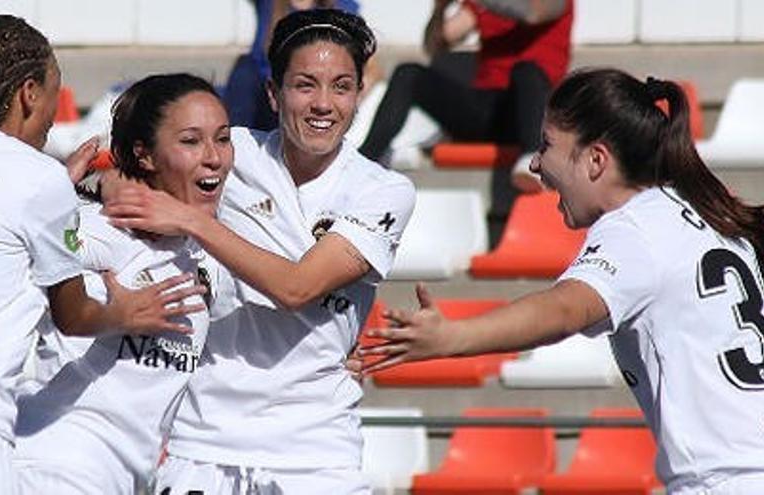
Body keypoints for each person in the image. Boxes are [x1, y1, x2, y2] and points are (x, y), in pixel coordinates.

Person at [361, 68, 764, 494]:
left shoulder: (634, 229)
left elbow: (565, 309)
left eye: (547, 145)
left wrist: (452, 337)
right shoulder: (702, 213)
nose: (535, 162)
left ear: (596, 160)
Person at [104, 9, 416, 494]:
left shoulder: (383, 190)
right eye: (305, 85)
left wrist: (189, 219)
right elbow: (126, 173)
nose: (323, 104)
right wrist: (113, 186)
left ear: (360, 95)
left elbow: (298, 287)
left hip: (317, 454)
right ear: (273, 94)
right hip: (201, 445)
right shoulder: (232, 152)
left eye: (341, 86)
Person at [0, 15, 189, 495]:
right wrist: (125, 312)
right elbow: (71, 315)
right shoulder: (35, 176)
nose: (52, 116)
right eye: (53, 93)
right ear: (29, 93)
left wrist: (55, 194)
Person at [11, 73, 229, 494]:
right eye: (190, 141)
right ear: (143, 156)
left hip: (121, 474)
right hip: (57, 463)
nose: (213, 157)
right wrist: (51, 201)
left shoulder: (206, 250)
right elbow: (2, 259)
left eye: (222, 139)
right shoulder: (104, 230)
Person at [359, 0, 573, 246]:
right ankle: (365, 163)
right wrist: (439, 9)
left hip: (530, 114)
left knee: (526, 70)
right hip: (484, 110)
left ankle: (531, 157)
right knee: (409, 73)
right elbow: (436, 46)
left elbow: (533, 15)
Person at [224, 0, 382, 132]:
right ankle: (231, 139)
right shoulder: (270, 4)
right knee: (245, 72)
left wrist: (346, 99)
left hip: (305, 92)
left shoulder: (340, 7)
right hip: (265, 88)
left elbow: (373, 68)